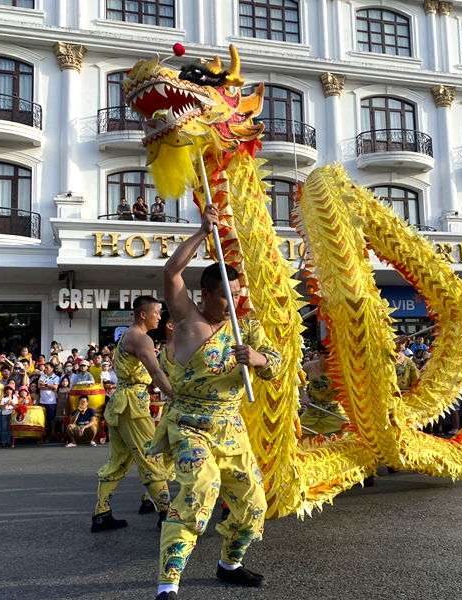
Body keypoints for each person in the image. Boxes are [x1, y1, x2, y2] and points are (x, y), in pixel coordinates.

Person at [153, 205, 282, 600]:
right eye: (226, 296)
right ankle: (168, 584)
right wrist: (202, 232)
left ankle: (230, 564)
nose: (233, 303)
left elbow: (275, 365)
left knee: (254, 503)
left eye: (238, 296)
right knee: (199, 491)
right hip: (190, 425)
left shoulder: (248, 329)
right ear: (205, 294)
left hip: (232, 427)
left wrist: (257, 359)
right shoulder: (188, 321)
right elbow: (171, 273)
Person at [92, 295, 174, 533]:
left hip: (122, 404)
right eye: (157, 312)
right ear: (143, 314)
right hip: (133, 407)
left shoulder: (128, 335)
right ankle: (165, 514)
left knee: (118, 462)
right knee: (152, 457)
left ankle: (101, 514)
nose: (159, 316)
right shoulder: (141, 338)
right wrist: (177, 398)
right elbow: (157, 374)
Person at [299, 345, 347, 436]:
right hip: (312, 411)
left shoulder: (340, 369)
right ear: (318, 354)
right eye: (326, 358)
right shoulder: (308, 367)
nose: (330, 361)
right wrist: (304, 396)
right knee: (296, 434)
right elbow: (296, 379)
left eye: (332, 358)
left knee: (349, 431)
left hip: (333, 411)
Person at [38, 363, 60, 436]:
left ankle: (53, 433)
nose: (45, 369)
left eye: (47, 368)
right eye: (45, 367)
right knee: (44, 418)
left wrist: (46, 385)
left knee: (52, 419)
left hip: (52, 401)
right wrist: (50, 387)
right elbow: (39, 386)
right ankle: (44, 433)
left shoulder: (56, 377)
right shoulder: (42, 376)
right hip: (42, 401)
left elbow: (55, 387)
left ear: (52, 369)